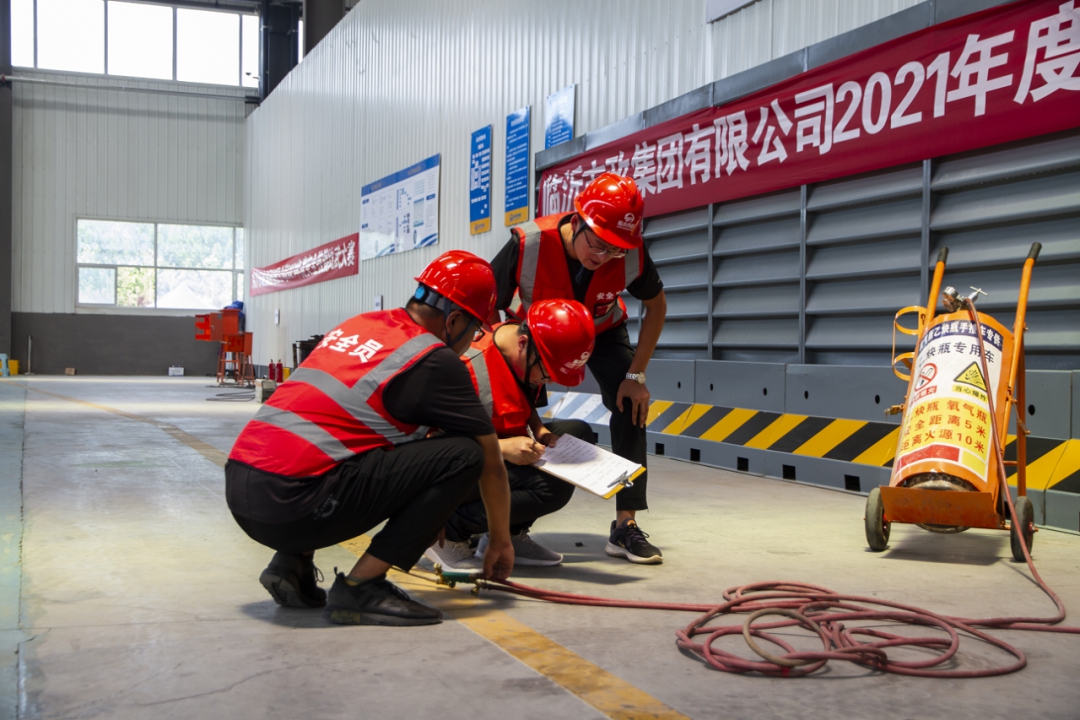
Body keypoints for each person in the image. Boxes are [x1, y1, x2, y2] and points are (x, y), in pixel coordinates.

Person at [225, 250, 514, 627]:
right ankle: (363, 585)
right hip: (293, 506)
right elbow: (490, 464)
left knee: (339, 440)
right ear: (455, 320)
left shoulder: (363, 324)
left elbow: (356, 430)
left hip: (242, 488)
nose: (472, 340)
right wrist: (500, 541)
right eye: (475, 329)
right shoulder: (435, 358)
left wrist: (429, 510)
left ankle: (292, 562)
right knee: (464, 455)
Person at [489, 173, 667, 564]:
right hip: (538, 339)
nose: (602, 256)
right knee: (514, 424)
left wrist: (635, 377)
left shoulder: (630, 251)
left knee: (631, 406)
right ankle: (508, 524)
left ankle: (625, 526)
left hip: (602, 332)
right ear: (578, 220)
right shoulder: (529, 243)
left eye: (614, 251)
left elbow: (657, 306)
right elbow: (485, 309)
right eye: (597, 244)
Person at [425, 298, 597, 570]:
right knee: (552, 486)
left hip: (493, 453)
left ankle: (509, 533)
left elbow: (523, 398)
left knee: (577, 433)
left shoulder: (527, 354)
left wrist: (538, 429)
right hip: (454, 470)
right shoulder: (465, 367)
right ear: (523, 344)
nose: (548, 381)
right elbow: (429, 446)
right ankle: (448, 532)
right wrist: (502, 448)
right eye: (547, 374)